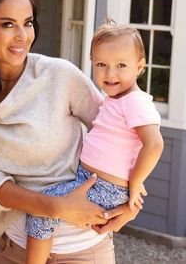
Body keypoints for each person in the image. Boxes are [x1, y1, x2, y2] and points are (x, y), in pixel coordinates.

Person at [0, 0, 144, 264]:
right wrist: (51, 206)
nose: (22, 36)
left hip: (84, 249)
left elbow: (120, 133)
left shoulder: (60, 76)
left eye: (28, 22)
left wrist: (132, 197)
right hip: (17, 249)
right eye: (8, 24)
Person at [24, 21, 165, 264]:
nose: (110, 73)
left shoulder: (135, 101)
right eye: (101, 65)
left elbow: (154, 145)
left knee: (42, 209)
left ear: (140, 67)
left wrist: (136, 184)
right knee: (48, 205)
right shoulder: (116, 100)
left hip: (106, 189)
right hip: (92, 181)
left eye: (121, 65)